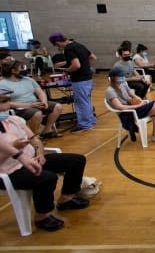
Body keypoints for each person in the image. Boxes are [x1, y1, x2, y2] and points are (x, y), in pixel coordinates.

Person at [0, 94, 89, 232]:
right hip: (9, 171)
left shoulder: (15, 120)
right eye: (2, 111)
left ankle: (66, 198)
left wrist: (40, 153)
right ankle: (42, 216)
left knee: (77, 160)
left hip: (32, 159)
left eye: (7, 109)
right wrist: (14, 149)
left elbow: (35, 140)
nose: (6, 113)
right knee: (46, 178)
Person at [106, 68, 155, 141]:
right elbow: (120, 107)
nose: (123, 77)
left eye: (123, 76)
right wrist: (138, 105)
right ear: (113, 78)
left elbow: (131, 93)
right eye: (120, 76)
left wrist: (139, 99)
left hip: (133, 108)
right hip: (127, 113)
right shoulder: (110, 91)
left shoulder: (123, 84)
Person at [0, 61, 63, 138]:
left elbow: (40, 92)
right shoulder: (3, 84)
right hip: (19, 107)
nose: (25, 70)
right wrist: (29, 105)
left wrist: (44, 102)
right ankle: (34, 137)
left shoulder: (28, 79)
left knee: (58, 106)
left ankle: (46, 131)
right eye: (22, 68)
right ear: (13, 71)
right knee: (37, 113)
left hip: (34, 102)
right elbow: (8, 103)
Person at [48, 32, 96, 133]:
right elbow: (93, 58)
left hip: (79, 79)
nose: (57, 47)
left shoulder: (68, 49)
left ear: (57, 42)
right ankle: (90, 121)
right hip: (88, 77)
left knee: (81, 102)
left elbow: (76, 65)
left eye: (56, 45)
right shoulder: (79, 45)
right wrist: (85, 66)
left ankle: (85, 124)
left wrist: (67, 70)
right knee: (86, 100)